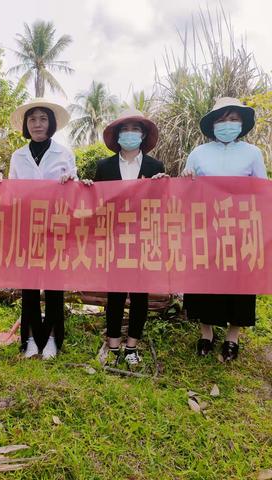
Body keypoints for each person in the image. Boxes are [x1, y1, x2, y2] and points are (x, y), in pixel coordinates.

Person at [0, 98, 78, 359]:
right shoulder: (18, 156)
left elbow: (74, 194)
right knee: (29, 286)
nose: (37, 124)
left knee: (53, 286)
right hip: (27, 228)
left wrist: (71, 181)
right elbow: (11, 192)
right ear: (26, 126)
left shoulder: (64, 153)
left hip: (55, 229)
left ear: (50, 124)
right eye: (32, 119)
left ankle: (51, 338)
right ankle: (29, 338)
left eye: (43, 119)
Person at [181, 97, 267, 362]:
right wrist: (186, 181)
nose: (227, 125)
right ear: (212, 125)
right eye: (221, 120)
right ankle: (206, 332)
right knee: (204, 279)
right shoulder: (199, 153)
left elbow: (262, 190)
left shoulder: (252, 153)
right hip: (206, 228)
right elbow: (186, 189)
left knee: (239, 282)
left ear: (241, 124)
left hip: (241, 229)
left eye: (233, 119)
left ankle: (232, 336)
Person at [94, 108, 165, 367]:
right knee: (115, 293)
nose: (130, 134)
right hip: (114, 239)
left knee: (139, 295)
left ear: (143, 134)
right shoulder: (105, 166)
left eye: (135, 129)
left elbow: (161, 205)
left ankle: (132, 346)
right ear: (118, 135)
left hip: (142, 238)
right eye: (125, 129)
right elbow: (96, 203)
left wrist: (161, 185)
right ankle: (113, 345)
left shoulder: (155, 166)